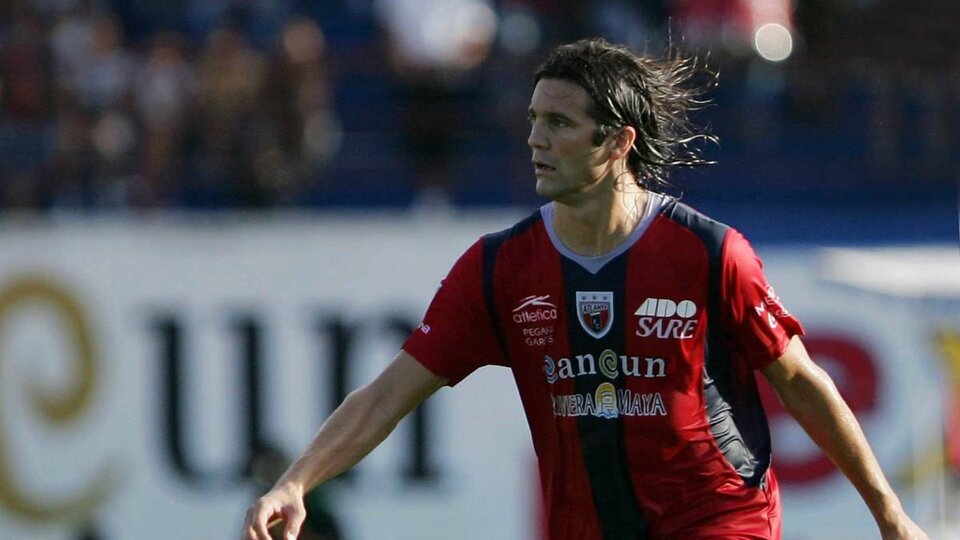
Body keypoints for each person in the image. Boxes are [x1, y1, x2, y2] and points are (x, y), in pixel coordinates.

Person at [243, 38, 928, 540]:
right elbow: (386, 395)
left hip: (720, 517)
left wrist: (889, 514)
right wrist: (298, 480)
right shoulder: (499, 268)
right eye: (533, 120)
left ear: (618, 142)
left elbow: (801, 381)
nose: (535, 140)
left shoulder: (710, 253)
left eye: (559, 124)